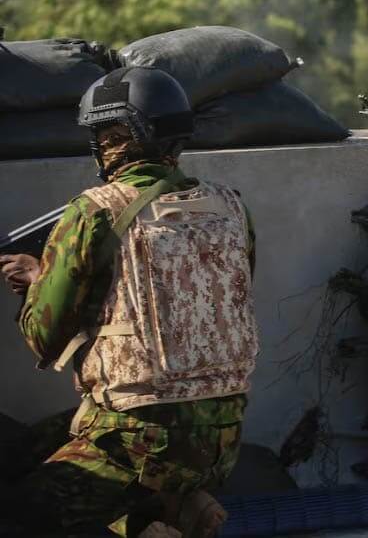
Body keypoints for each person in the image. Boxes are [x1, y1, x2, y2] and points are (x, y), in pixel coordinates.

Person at [0, 67, 260, 537]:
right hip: (222, 441)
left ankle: (150, 519)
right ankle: (175, 504)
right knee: (29, 446)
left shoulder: (93, 211)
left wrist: (38, 279)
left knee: (20, 516)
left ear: (123, 135)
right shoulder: (231, 208)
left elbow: (43, 337)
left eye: (103, 133)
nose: (98, 144)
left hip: (138, 441)